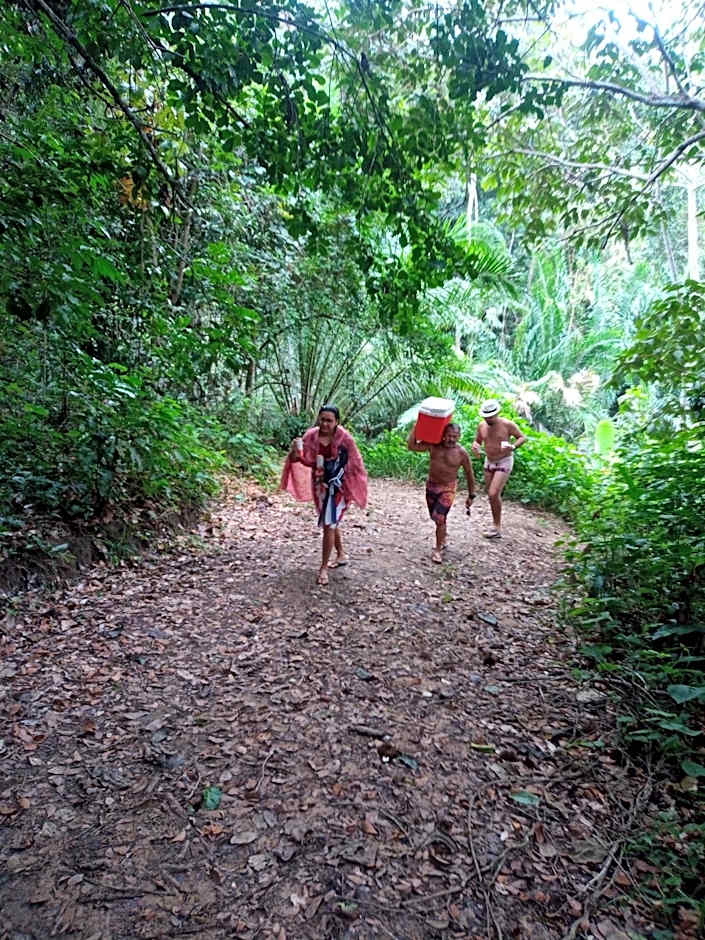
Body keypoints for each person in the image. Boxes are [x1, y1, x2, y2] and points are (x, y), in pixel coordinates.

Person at [281, 405, 368, 586]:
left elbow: (356, 464)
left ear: (337, 422)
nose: (325, 424)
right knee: (331, 521)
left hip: (339, 488)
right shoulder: (310, 437)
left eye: (329, 420)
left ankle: (323, 568)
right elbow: (301, 460)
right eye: (322, 419)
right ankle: (341, 554)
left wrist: (347, 482)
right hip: (320, 486)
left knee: (329, 523)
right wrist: (294, 452)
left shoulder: (345, 439)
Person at [407, 422, 477, 564]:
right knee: (436, 517)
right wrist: (417, 426)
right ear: (443, 435)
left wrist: (471, 495)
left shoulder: (461, 453)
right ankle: (443, 535)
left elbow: (470, 474)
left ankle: (437, 550)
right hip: (431, 486)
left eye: (455, 437)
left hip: (448, 488)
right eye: (449, 436)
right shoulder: (433, 445)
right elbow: (412, 446)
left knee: (439, 517)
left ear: (459, 437)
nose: (452, 439)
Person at [471, 399, 527, 539]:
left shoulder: (507, 424)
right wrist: (476, 448)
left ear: (497, 413)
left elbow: (522, 437)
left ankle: (497, 527)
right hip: (489, 460)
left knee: (493, 493)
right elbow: (477, 441)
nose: (488, 419)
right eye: (486, 416)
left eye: (491, 416)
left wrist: (513, 446)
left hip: (504, 460)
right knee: (492, 496)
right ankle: (495, 524)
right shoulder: (482, 426)